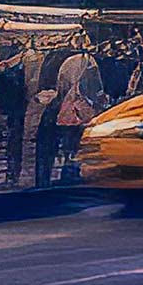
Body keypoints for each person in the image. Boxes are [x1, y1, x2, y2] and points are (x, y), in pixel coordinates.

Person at [41, 38, 102, 185]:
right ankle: (70, 176)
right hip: (78, 114)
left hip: (60, 111)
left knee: (59, 150)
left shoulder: (58, 61)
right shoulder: (88, 62)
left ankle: (53, 179)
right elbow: (95, 89)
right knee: (75, 149)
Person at [0, 49, 36, 191]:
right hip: (21, 109)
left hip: (13, 111)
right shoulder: (25, 65)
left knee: (14, 141)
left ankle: (12, 172)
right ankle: (14, 172)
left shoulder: (5, 72)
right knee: (18, 140)